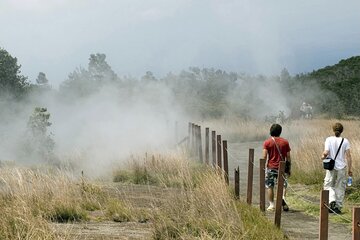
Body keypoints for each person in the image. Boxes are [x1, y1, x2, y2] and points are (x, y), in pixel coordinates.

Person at [321, 122, 352, 214]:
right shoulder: (345, 141)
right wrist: (350, 169)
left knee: (328, 185)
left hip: (331, 166)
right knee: (340, 186)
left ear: (333, 130)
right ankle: (338, 206)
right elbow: (348, 156)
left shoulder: (329, 139)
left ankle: (332, 201)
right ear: (342, 131)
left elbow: (326, 152)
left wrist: (323, 156)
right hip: (342, 167)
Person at [262, 123, 291, 211]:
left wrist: (263, 167)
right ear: (280, 132)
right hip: (282, 167)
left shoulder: (267, 142)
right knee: (283, 185)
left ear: (271, 131)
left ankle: (271, 205)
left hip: (271, 167)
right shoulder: (285, 142)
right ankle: (282, 198)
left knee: (270, 185)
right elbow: (288, 157)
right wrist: (288, 168)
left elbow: (264, 156)